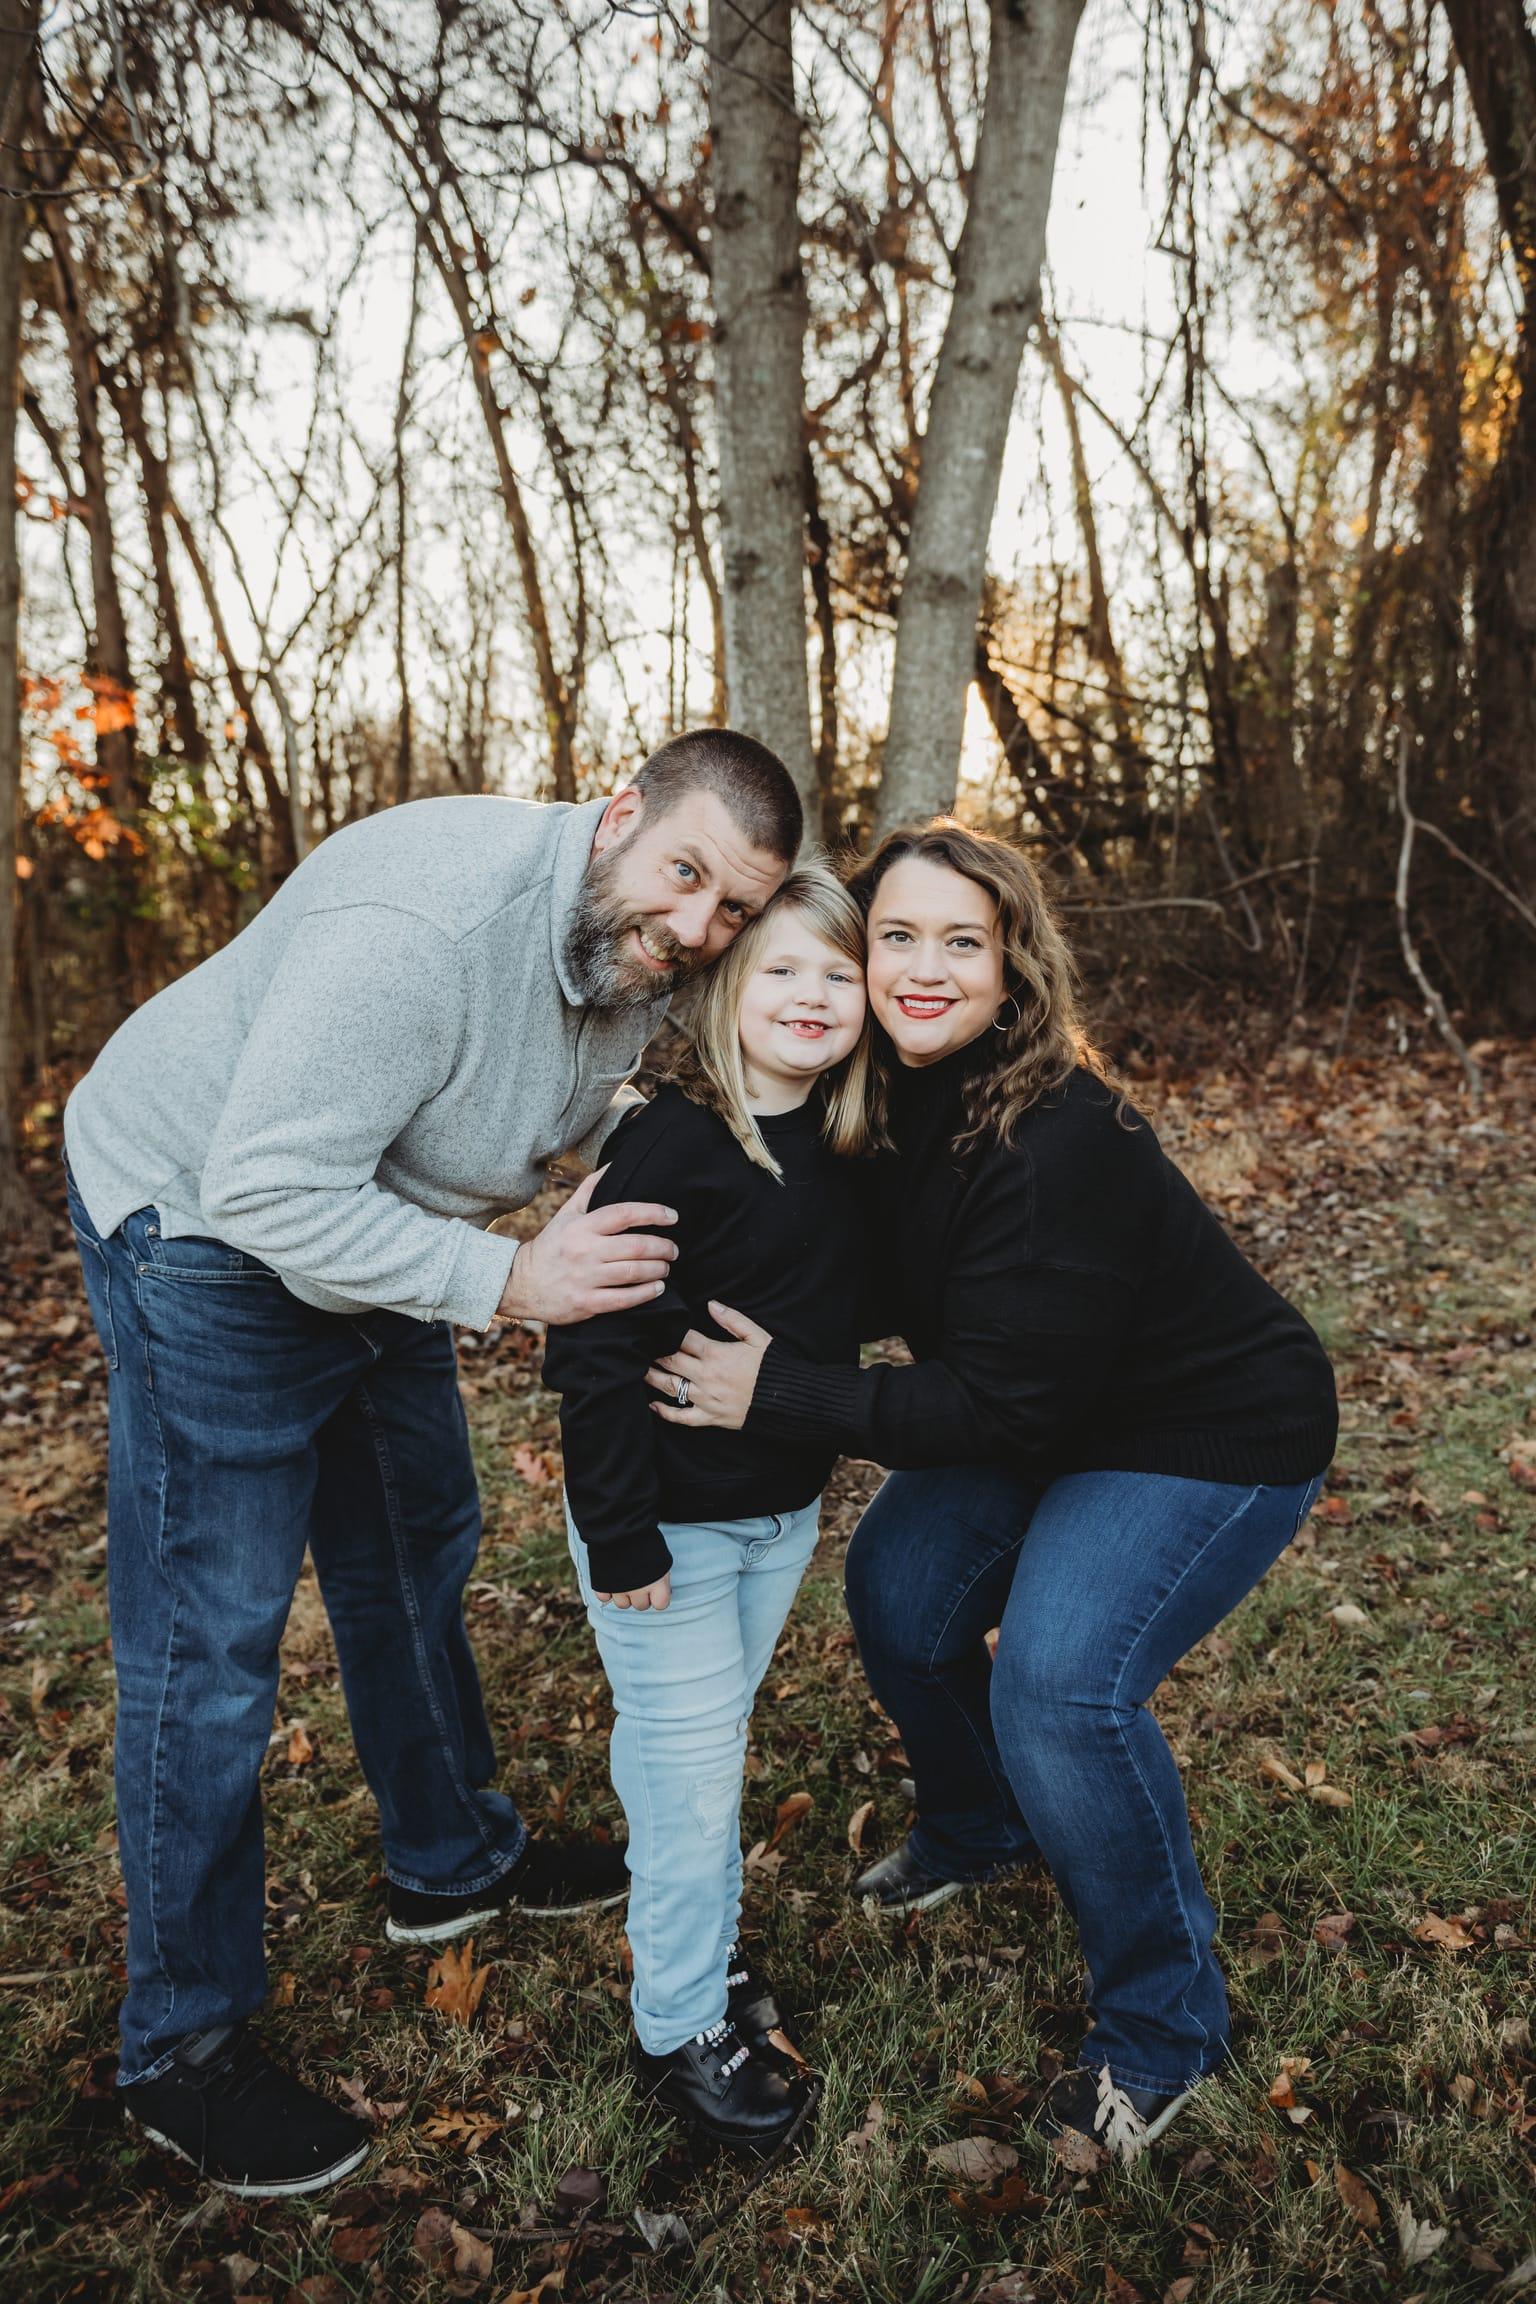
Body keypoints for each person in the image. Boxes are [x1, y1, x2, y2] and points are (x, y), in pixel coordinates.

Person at [61, 729, 800, 2197]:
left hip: (376, 1223)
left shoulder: (625, 949)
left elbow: (553, 1102)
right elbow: (274, 1183)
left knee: (414, 1546)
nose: (699, 930)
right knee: (212, 1646)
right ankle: (181, 2050)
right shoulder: (420, 934)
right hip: (205, 1224)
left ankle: (450, 1861)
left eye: (733, 908)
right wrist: (508, 1284)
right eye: (685, 877)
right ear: (618, 814)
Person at [642, 820, 1337, 2166]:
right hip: (1043, 1401)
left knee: (1063, 1690)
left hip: (1203, 1431)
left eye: (961, 942)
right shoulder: (882, 1095)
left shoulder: (1058, 1142)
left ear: (1014, 967)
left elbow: (995, 1409)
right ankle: (979, 1828)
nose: (922, 967)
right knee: (899, 1594)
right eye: (895, 937)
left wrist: (775, 1390)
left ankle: (1164, 2027)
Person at [542, 864, 876, 2157]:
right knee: (694, 1793)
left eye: (836, 973)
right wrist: (620, 1536)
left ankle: (695, 1946)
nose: (809, 994)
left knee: (692, 1755)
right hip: (662, 1532)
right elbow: (588, 1358)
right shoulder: (675, 1145)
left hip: (776, 1519)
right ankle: (680, 2026)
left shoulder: (852, 1147)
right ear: (728, 987)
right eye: (780, 967)